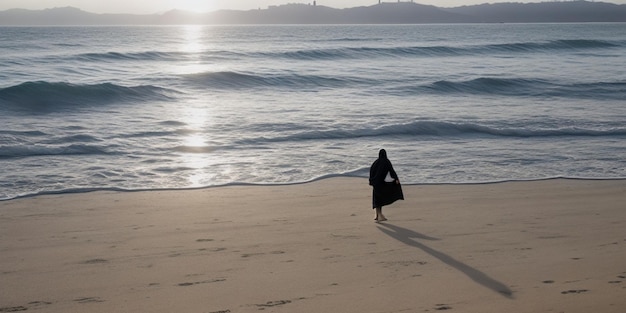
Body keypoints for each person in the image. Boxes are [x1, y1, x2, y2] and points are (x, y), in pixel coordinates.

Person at [369, 149, 404, 222]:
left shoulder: (375, 162)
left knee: (376, 199)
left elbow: (371, 171)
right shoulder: (386, 161)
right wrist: (396, 179)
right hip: (381, 183)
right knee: (380, 200)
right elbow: (391, 170)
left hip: (375, 184)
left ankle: (377, 215)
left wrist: (371, 181)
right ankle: (380, 215)